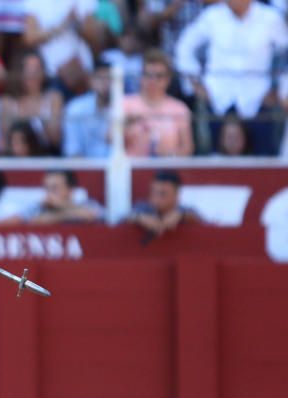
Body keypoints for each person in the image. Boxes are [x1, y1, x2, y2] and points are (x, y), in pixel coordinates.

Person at [175, 0, 288, 156]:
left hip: (258, 97)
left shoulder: (271, 17)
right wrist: (194, 84)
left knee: (264, 157)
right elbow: (184, 46)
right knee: (213, 158)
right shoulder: (212, 16)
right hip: (217, 98)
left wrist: (278, 88)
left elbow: (285, 53)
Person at [123, 48, 193, 157]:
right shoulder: (125, 104)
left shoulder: (179, 108)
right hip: (132, 169)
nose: (153, 81)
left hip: (167, 170)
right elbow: (109, 139)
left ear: (168, 79)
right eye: (148, 75)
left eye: (159, 76)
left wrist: (171, 159)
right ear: (141, 77)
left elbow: (187, 148)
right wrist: (125, 124)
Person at [0, 49, 63, 153]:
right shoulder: (7, 102)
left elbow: (55, 139)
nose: (33, 75)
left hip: (46, 155)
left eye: (36, 70)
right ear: (21, 73)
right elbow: (6, 140)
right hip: (16, 157)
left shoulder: (54, 98)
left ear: (43, 73)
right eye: (28, 71)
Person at [128, 169, 199, 237]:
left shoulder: (184, 211)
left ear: (176, 195)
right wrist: (139, 218)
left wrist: (182, 216)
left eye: (162, 194)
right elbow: (124, 218)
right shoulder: (142, 208)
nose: (156, 199)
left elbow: (203, 223)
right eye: (153, 193)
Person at [63, 59, 111, 158]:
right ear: (91, 81)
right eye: (100, 78)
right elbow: (73, 151)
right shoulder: (75, 108)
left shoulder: (126, 108)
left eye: (109, 78)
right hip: (84, 169)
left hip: (118, 169)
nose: (105, 83)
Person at [26, 169, 102, 224]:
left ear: (70, 190)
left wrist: (63, 206)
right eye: (47, 188)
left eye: (54, 188)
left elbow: (93, 215)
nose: (49, 193)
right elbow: (32, 221)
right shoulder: (39, 207)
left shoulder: (87, 203)